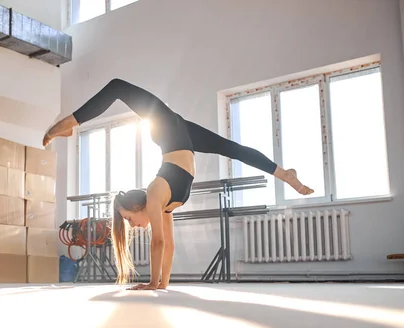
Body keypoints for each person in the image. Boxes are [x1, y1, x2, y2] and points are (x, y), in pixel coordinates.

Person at [43, 78, 313, 290]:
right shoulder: (165, 205)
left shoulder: (154, 193)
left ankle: (68, 124)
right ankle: (283, 173)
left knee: (117, 87)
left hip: (168, 129)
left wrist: (151, 283)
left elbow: (157, 242)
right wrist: (162, 283)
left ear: (138, 206)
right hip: (180, 136)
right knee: (230, 148)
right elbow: (169, 244)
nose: (133, 225)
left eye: (128, 218)